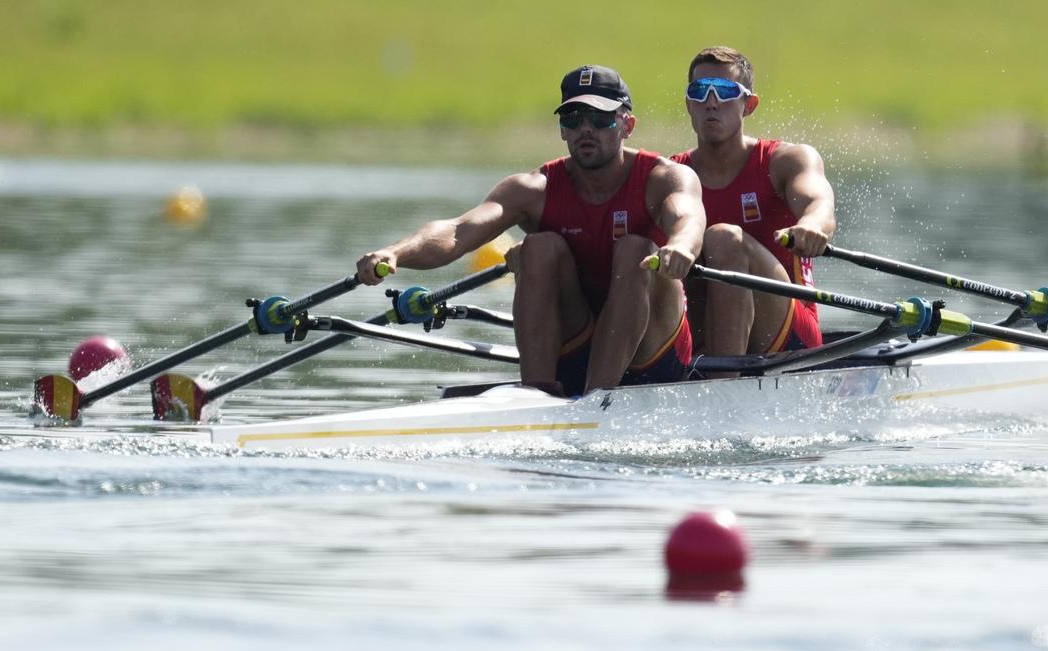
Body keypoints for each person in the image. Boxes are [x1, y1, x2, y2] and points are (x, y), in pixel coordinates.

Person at [356, 65, 706, 397]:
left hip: (655, 352)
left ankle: (597, 399)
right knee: (538, 247)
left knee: (635, 250)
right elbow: (458, 231)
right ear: (562, 129)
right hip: (577, 343)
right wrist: (396, 252)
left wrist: (681, 247)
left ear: (627, 125)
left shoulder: (663, 177)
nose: (586, 128)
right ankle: (537, 393)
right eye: (573, 118)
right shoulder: (533, 189)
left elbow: (688, 217)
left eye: (600, 119)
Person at [670, 46, 837, 367]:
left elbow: (820, 203)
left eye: (726, 91)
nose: (712, 102)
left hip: (789, 336)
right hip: (704, 325)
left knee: (723, 239)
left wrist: (813, 226)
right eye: (700, 91)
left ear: (749, 105)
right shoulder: (672, 174)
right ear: (689, 104)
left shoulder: (786, 161)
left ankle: (721, 386)